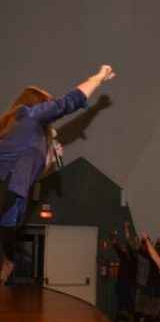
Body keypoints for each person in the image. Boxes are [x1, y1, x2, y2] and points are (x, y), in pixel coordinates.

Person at [0, 65, 116, 277]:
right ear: (37, 104)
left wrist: (50, 160)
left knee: (7, 250)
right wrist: (97, 78)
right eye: (48, 103)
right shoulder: (28, 115)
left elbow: (30, 176)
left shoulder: (30, 137)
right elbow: (68, 103)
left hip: (11, 197)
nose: (51, 108)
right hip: (4, 188)